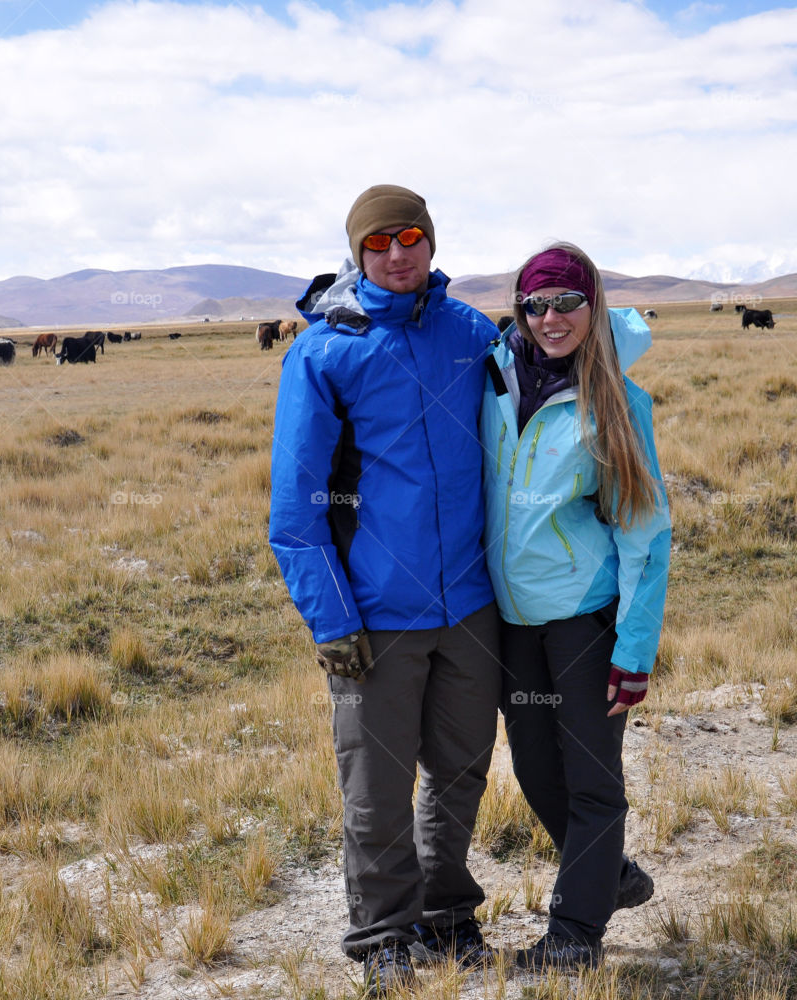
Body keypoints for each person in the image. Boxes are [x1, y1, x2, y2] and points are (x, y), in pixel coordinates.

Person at [269, 185, 502, 996]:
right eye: (379, 243)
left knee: (462, 771)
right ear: (357, 253)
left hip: (471, 606)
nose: (398, 254)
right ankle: (383, 935)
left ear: (431, 244)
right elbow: (295, 513)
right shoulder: (326, 352)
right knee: (375, 788)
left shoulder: (472, 334)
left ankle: (445, 913)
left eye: (411, 238)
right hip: (374, 617)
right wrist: (331, 620)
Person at [480, 243, 671, 969]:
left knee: (592, 778)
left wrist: (633, 648)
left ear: (591, 303)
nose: (551, 318)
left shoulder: (617, 402)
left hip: (584, 621)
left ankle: (574, 936)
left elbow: (646, 536)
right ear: (519, 311)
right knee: (534, 768)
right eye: (536, 304)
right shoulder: (495, 379)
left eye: (566, 301)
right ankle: (610, 875)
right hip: (513, 619)